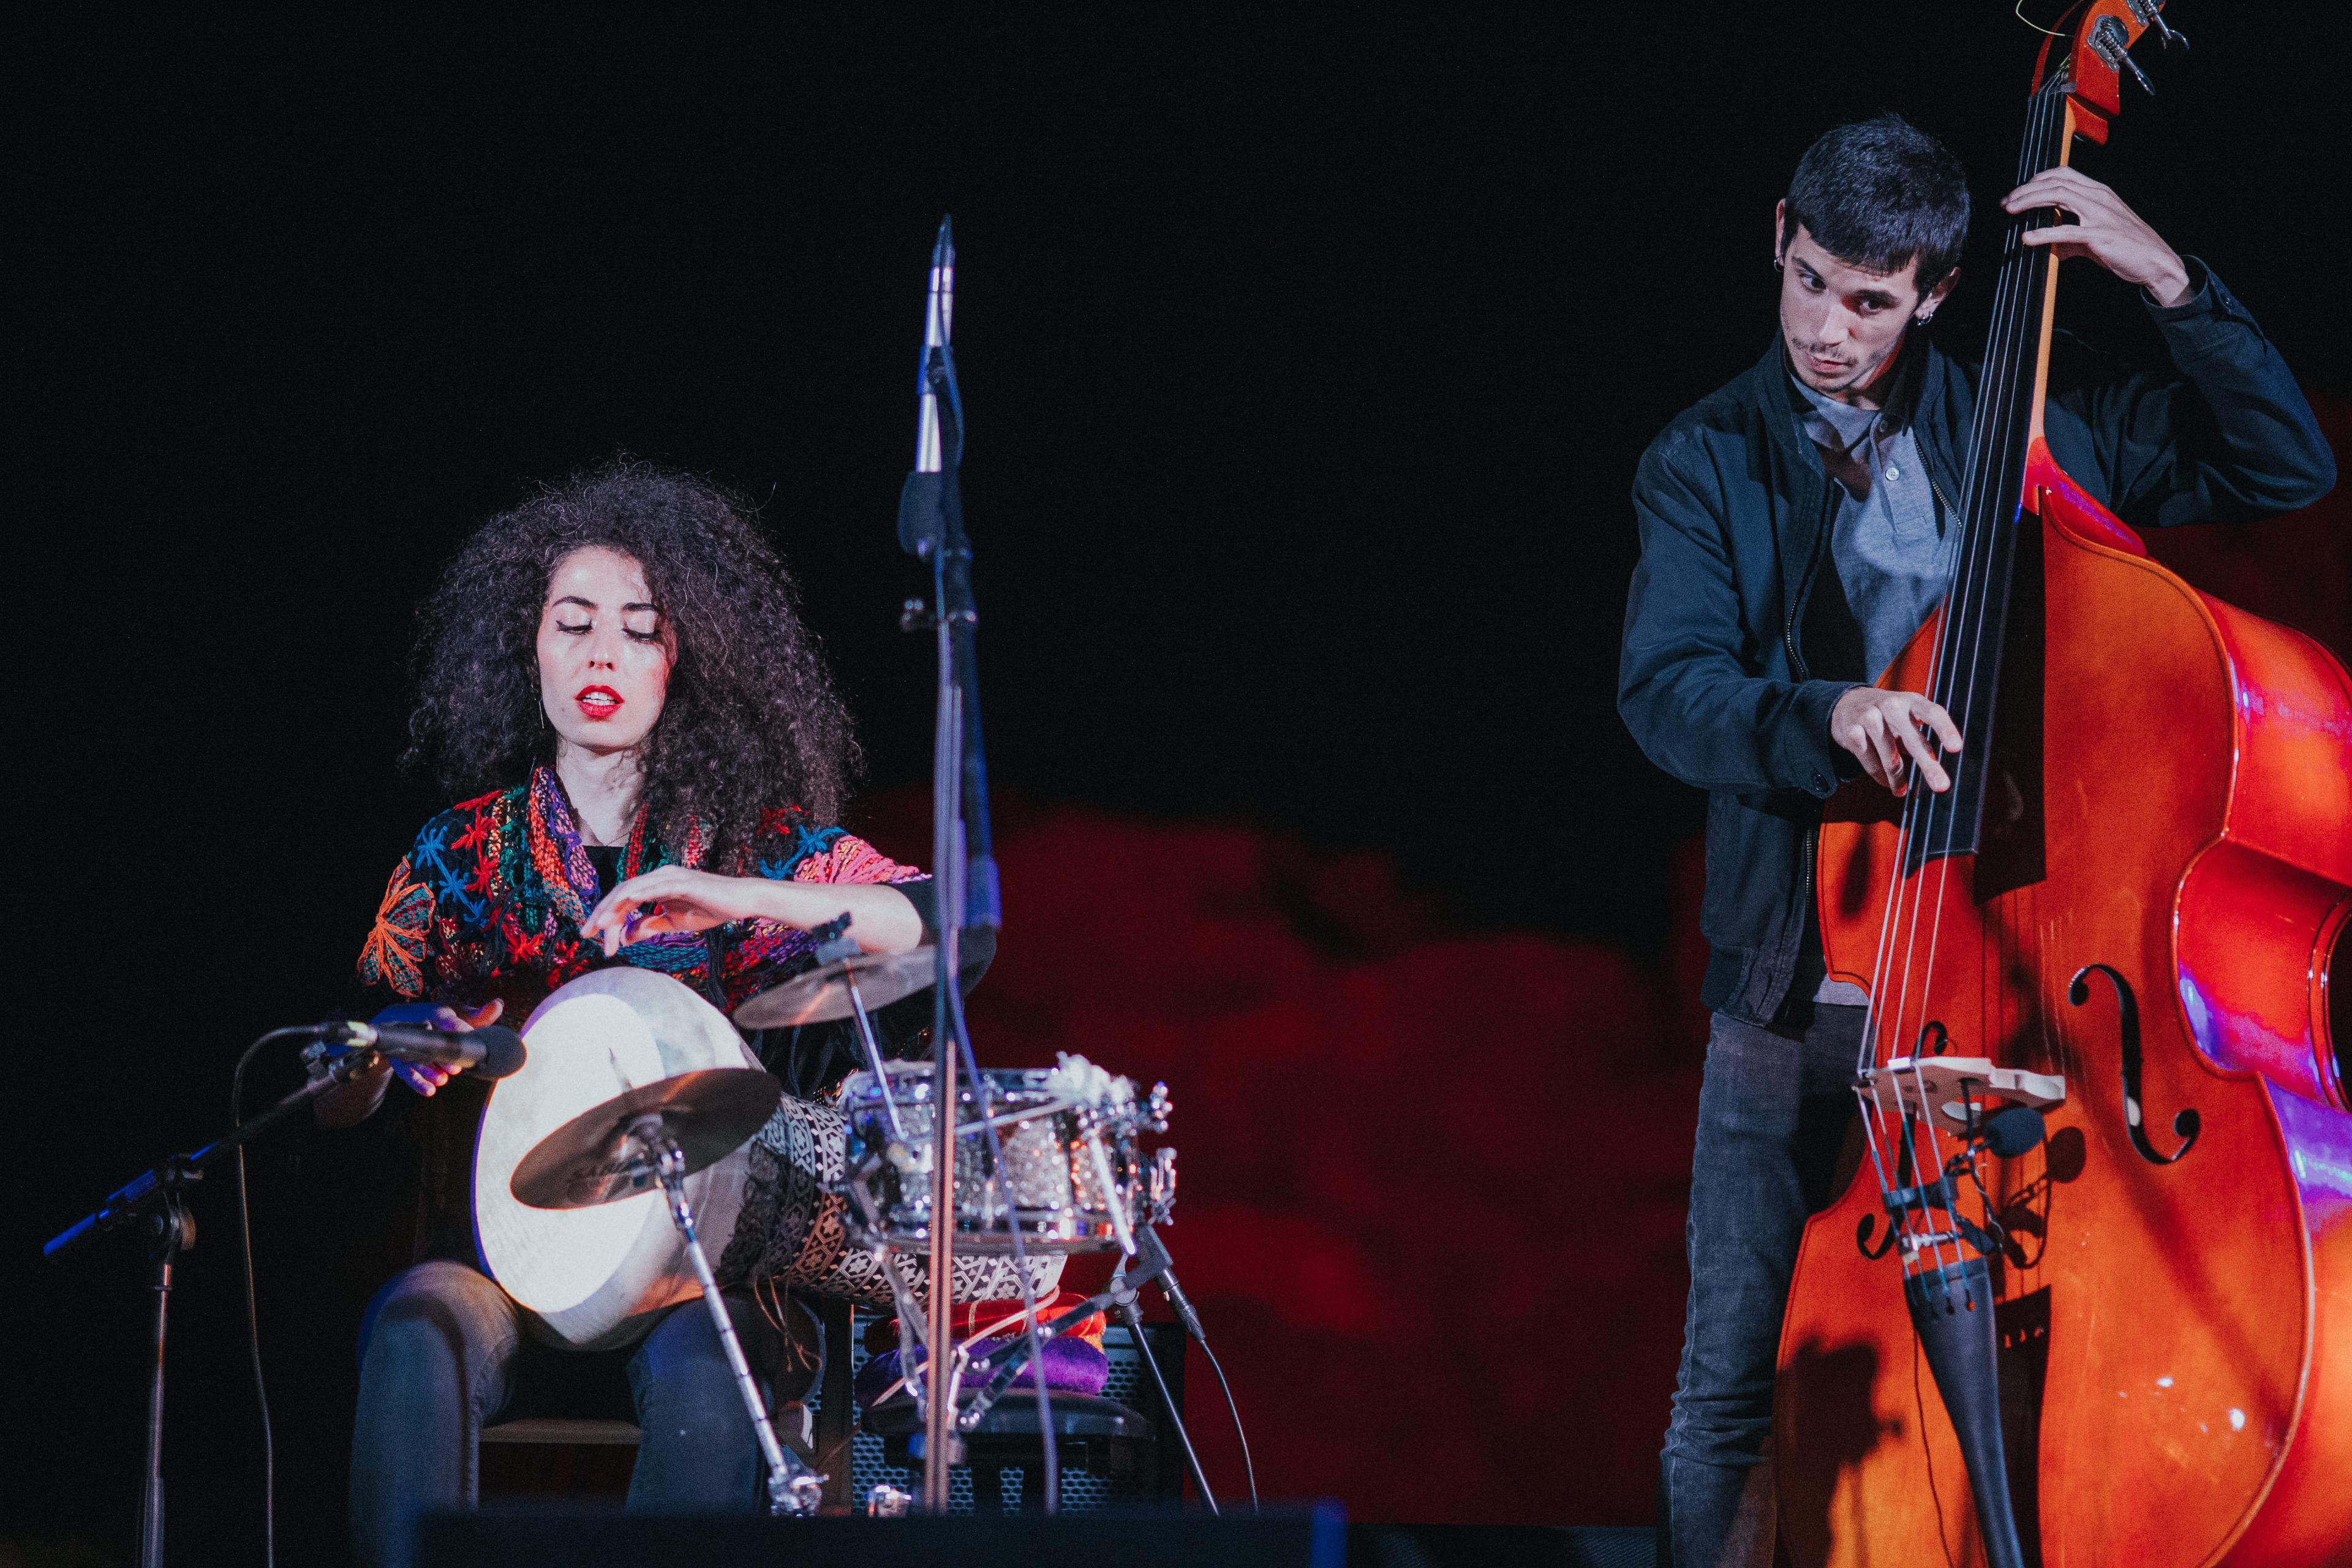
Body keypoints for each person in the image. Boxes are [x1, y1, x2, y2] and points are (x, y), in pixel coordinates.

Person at [1616, 115, 2333, 1567]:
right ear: (1779, 238)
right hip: (1797, 988)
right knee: (1729, 1391)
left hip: (2023, 985)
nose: (1827, 328)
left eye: (1871, 301)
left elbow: (2283, 466)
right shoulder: (1701, 460)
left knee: (2043, 1368)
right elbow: (1667, 691)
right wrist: (1831, 717)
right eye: (1811, 282)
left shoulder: (2034, 436)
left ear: (1937, 294)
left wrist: (2171, 282)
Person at [323, 459, 1008, 1566]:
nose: (602, 653)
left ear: (681, 659)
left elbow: (947, 921)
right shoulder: (459, 858)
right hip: (502, 1267)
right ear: (526, 649)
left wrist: (744, 897)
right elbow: (339, 1087)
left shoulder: (747, 844)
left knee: (718, 1368)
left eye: (640, 629)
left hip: (695, 1269)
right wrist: (388, 1061)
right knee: (412, 1329)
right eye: (573, 623)